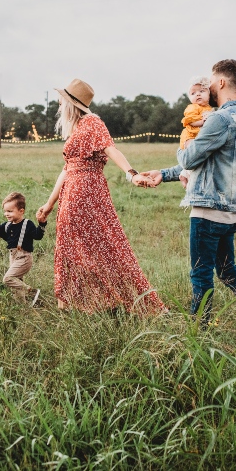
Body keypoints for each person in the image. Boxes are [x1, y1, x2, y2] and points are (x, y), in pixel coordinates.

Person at [139, 60, 236, 338]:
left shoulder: (219, 118)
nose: (208, 87)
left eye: (212, 82)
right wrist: (164, 174)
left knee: (201, 274)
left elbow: (191, 157)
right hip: (231, 212)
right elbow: (207, 163)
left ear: (223, 83)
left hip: (208, 211)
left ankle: (198, 333)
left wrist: (185, 145)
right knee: (228, 271)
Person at [36, 78, 167, 315]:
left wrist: (131, 174)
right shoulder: (76, 128)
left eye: (61, 100)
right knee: (72, 246)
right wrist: (49, 204)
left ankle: (110, 299)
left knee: (102, 245)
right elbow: (67, 169)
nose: (58, 104)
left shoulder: (92, 122)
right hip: (73, 192)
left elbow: (111, 149)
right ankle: (73, 302)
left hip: (86, 192)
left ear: (71, 103)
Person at [179, 76, 213, 189]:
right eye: (193, 93)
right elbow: (190, 121)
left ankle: (184, 174)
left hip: (198, 136)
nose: (197, 94)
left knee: (198, 157)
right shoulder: (193, 107)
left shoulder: (209, 108)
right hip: (190, 136)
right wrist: (202, 122)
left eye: (202, 91)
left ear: (209, 94)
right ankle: (187, 176)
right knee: (194, 153)